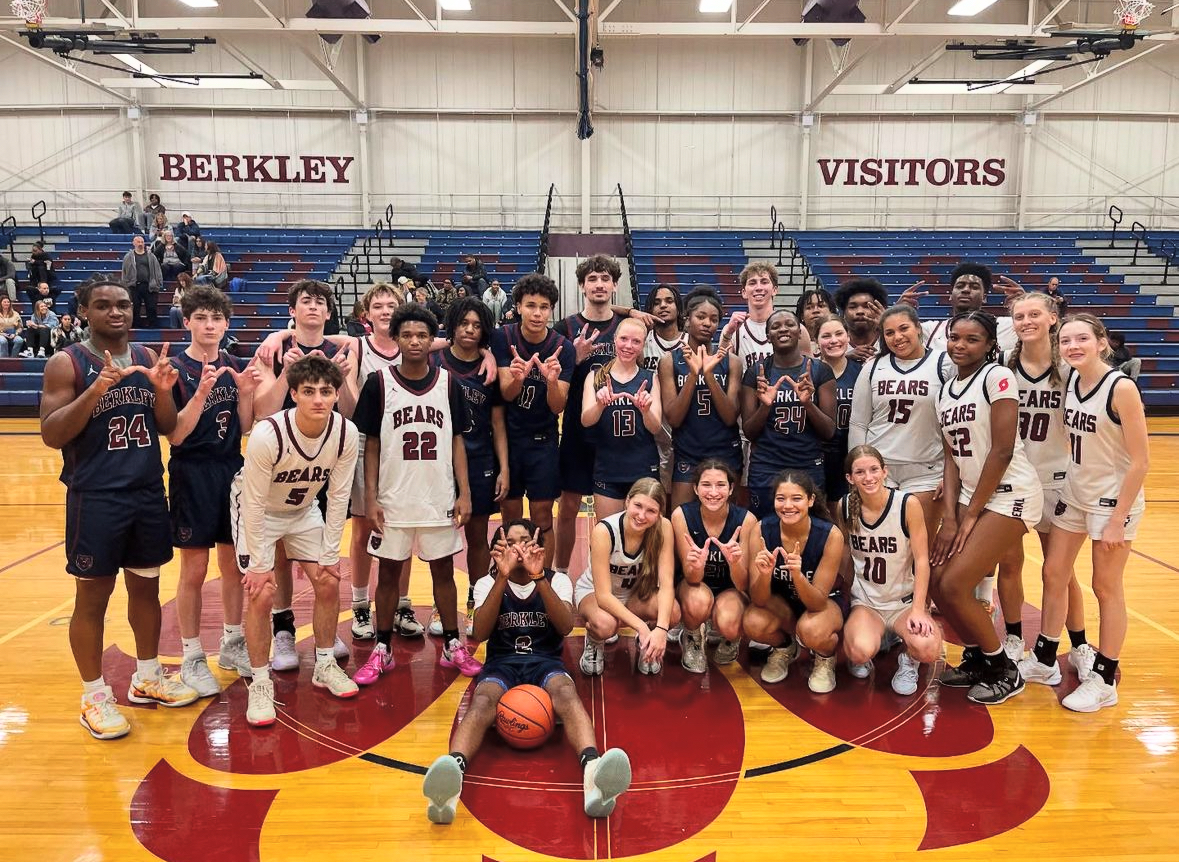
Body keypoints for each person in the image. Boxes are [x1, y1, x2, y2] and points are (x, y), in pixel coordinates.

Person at [40, 278, 198, 739]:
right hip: (97, 498)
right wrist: (96, 391)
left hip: (148, 491)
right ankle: (93, 697)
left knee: (146, 591)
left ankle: (147, 677)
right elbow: (52, 434)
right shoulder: (66, 362)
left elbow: (168, 428)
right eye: (104, 305)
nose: (116, 312)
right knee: (92, 598)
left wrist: (164, 389)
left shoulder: (149, 358)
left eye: (123, 305)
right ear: (84, 312)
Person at [421, 519, 632, 825]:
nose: (518, 547)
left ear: (538, 546)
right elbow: (478, 632)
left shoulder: (557, 581)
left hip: (545, 662)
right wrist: (502, 578)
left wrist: (539, 578)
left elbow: (564, 626)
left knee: (566, 693)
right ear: (499, 550)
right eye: (510, 541)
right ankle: (452, 777)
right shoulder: (485, 584)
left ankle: (593, 772)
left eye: (525, 540)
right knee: (481, 702)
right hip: (502, 664)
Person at [1018, 314, 1149, 713]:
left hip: (1112, 501)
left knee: (1106, 587)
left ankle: (1105, 678)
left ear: (1101, 342)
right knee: (1053, 572)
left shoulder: (1121, 387)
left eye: (1082, 339)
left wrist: (1117, 519)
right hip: (1074, 493)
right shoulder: (1072, 380)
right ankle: (1044, 659)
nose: (1073, 346)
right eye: (1067, 341)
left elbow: (1141, 462)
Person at [350, 304, 481, 685]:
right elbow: (371, 444)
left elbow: (457, 441)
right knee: (389, 574)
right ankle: (382, 648)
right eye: (407, 335)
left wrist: (465, 492)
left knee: (444, 571)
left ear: (432, 339)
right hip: (393, 498)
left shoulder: (448, 382)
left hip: (437, 495)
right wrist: (371, 496)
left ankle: (453, 644)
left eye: (422, 335)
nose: (414, 341)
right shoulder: (378, 382)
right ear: (396, 339)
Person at [232, 355, 360, 726]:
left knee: (328, 579)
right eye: (309, 392)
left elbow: (338, 497)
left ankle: (323, 664)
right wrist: (258, 565)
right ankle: (259, 683)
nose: (319, 399)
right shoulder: (268, 434)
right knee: (262, 593)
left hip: (302, 510)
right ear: (293, 394)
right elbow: (253, 503)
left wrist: (331, 554)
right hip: (257, 510)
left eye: (326, 391)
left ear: (336, 394)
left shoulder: (345, 433)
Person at [931, 311, 1043, 706]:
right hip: (969, 495)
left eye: (972, 339)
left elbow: (1002, 449)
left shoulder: (998, 377)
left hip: (1010, 491)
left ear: (990, 343)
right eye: (954, 337)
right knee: (936, 579)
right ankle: (979, 655)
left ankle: (1002, 669)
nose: (960, 345)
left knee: (957, 583)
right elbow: (950, 458)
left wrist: (972, 513)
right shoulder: (946, 389)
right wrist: (950, 515)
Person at [251, 280, 357, 671]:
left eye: (320, 302)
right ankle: (283, 629)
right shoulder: (273, 349)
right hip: (280, 460)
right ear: (292, 310)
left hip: (325, 457)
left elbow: (352, 412)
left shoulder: (345, 349)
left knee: (325, 555)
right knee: (279, 547)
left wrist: (344, 380)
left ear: (329, 312)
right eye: (304, 302)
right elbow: (261, 411)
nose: (313, 307)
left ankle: (325, 641)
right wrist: (285, 368)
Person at [168, 287, 260, 695]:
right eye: (201, 318)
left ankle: (232, 641)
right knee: (194, 569)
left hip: (231, 470)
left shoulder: (234, 364)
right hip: (191, 472)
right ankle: (191, 655)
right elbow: (175, 435)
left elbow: (242, 427)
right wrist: (203, 392)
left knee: (234, 566)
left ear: (226, 323)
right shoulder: (173, 369)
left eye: (216, 318)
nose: (210, 326)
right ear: (187, 321)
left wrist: (244, 393)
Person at [995, 292, 1090, 665]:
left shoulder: (1071, 368)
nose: (1026, 321)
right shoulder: (1003, 366)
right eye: (1019, 316)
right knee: (1010, 564)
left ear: (1053, 319)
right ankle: (1016, 638)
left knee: (1061, 572)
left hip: (1058, 479)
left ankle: (1080, 644)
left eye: (1034, 314)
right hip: (1015, 480)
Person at [836, 446, 942, 695]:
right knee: (858, 651)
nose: (868, 477)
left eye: (874, 469)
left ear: (885, 471)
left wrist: (919, 609)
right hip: (867, 602)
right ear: (850, 478)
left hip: (903, 602)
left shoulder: (907, 504)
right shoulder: (844, 506)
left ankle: (908, 659)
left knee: (928, 649)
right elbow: (846, 557)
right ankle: (877, 638)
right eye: (860, 472)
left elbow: (922, 560)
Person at [432, 297, 509, 635]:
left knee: (478, 537)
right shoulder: (435, 361)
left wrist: (504, 468)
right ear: (453, 324)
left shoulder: (487, 368)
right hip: (438, 463)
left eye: (477, 325)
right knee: (442, 541)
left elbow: (498, 422)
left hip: (480, 461)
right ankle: (441, 604)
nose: (470, 330)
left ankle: (475, 600)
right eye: (464, 323)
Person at [553, 255, 631, 577]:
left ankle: (607, 577)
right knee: (569, 506)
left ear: (614, 285)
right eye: (593, 279)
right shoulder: (565, 327)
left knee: (609, 512)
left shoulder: (625, 327)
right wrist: (575, 355)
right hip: (575, 428)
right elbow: (555, 381)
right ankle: (559, 573)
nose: (599, 284)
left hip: (614, 431)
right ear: (582, 285)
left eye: (605, 279)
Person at [492, 274, 575, 569]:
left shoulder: (563, 347)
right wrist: (518, 378)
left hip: (543, 440)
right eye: (531, 306)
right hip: (509, 441)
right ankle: (512, 575)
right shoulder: (503, 337)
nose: (537, 313)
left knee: (542, 517)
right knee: (511, 515)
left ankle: (545, 578)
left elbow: (557, 406)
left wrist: (551, 381)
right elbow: (507, 393)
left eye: (544, 307)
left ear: (551, 309)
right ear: (518, 307)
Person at [848, 304, 948, 540]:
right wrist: (858, 467)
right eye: (889, 333)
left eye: (904, 328)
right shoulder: (873, 367)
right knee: (884, 542)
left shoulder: (944, 364)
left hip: (927, 469)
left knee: (921, 545)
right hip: (880, 471)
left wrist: (952, 474)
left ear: (918, 328)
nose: (898, 337)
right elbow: (859, 423)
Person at [743, 469, 846, 692]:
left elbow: (817, 603)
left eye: (796, 498)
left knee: (811, 629)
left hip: (823, 604)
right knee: (752, 620)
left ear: (811, 500)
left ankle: (824, 657)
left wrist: (797, 575)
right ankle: (784, 648)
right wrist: (764, 574)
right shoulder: (761, 530)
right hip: (784, 604)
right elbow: (759, 599)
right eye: (781, 499)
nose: (788, 505)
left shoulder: (831, 535)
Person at [740, 309, 836, 519]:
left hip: (807, 464)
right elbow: (749, 432)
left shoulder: (820, 371)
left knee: (811, 532)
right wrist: (765, 406)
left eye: (789, 324)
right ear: (768, 336)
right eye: (775, 326)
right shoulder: (756, 373)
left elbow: (829, 431)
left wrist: (808, 404)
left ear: (800, 331)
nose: (783, 329)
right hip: (766, 465)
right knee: (764, 530)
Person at [576, 478, 677, 675]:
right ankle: (595, 641)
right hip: (596, 595)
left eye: (651, 511)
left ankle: (647, 646)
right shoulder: (604, 531)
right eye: (638, 505)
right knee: (605, 625)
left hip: (634, 595)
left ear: (659, 514)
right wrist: (641, 626)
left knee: (671, 612)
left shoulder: (664, 528)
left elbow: (666, 584)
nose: (641, 515)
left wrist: (661, 630)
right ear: (627, 501)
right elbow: (604, 596)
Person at [672, 460, 758, 672]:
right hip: (695, 585)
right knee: (698, 602)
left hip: (730, 588)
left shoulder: (746, 521)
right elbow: (691, 578)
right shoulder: (681, 516)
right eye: (706, 485)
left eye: (720, 485)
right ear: (695, 488)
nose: (713, 492)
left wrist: (735, 563)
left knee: (730, 623)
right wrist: (697, 565)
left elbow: (743, 584)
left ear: (730, 489)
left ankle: (730, 638)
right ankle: (692, 636)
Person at [660, 288, 742, 507]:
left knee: (728, 523)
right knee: (682, 522)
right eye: (701, 317)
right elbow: (674, 419)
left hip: (725, 450)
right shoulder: (669, 361)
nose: (708, 323)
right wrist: (693, 375)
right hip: (688, 452)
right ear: (687, 320)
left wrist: (708, 374)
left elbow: (730, 417)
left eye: (714, 319)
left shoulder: (732, 362)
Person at [581, 318, 663, 517]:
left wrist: (645, 410)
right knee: (608, 534)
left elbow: (656, 428)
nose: (628, 345)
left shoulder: (650, 377)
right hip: (608, 469)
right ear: (615, 339)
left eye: (636, 341)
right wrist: (600, 404)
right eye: (624, 339)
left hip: (643, 468)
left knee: (646, 537)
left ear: (643, 344)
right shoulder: (596, 376)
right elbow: (586, 420)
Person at [900, 262, 1020, 353]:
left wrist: (1027, 304)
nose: (966, 290)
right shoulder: (930, 331)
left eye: (974, 287)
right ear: (950, 295)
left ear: (984, 297)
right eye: (960, 286)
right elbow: (895, 339)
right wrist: (898, 311)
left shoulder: (1007, 326)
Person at [816, 316, 861, 503]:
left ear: (848, 336)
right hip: (816, 454)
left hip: (848, 452)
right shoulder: (809, 371)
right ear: (816, 342)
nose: (833, 340)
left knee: (844, 512)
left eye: (839, 334)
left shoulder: (861, 371)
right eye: (826, 336)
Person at [833, 278, 888, 362]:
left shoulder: (888, 339)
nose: (860, 311)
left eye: (867, 306)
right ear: (844, 312)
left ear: (877, 309)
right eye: (853, 307)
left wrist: (888, 323)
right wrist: (844, 358)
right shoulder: (835, 340)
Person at [121, 235, 162, 329]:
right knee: (135, 308)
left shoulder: (151, 256)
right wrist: (125, 285)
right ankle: (136, 326)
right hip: (134, 286)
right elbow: (124, 272)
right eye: (138, 242)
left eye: (142, 242)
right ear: (133, 243)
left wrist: (158, 283)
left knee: (151, 307)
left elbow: (157, 270)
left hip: (149, 285)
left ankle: (153, 327)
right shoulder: (128, 257)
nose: (140, 244)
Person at [796, 287, 837, 355]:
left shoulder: (842, 343)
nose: (815, 310)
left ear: (831, 311)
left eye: (821, 306)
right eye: (809, 307)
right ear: (801, 316)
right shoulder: (793, 346)